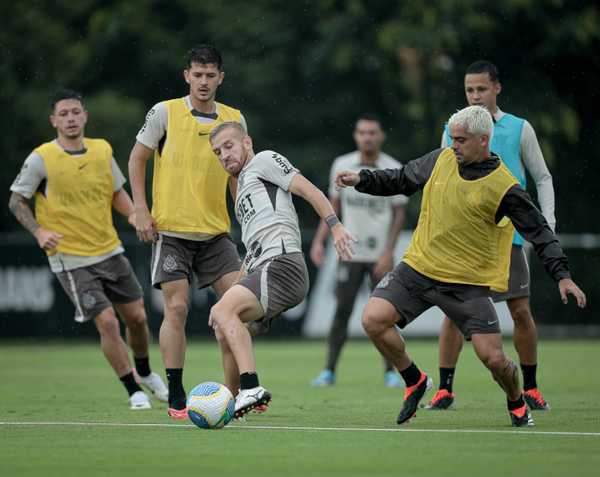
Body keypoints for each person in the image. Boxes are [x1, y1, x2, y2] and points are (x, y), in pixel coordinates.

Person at [334, 105, 586, 427]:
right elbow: (401, 178)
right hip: (419, 269)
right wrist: (361, 179)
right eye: (453, 138)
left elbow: (539, 232)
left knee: (494, 360)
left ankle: (516, 400)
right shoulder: (441, 159)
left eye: (461, 140)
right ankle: (415, 380)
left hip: (467, 284)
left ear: (484, 141)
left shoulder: (504, 187)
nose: (453, 145)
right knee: (373, 320)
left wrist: (562, 275)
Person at [8, 89, 168, 410]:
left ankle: (147, 373)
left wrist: (136, 214)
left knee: (136, 318)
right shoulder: (42, 158)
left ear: (85, 116)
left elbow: (116, 193)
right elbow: (16, 200)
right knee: (107, 322)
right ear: (54, 120)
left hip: (110, 250)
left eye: (75, 112)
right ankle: (132, 389)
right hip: (71, 259)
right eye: (63, 114)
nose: (70, 118)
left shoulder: (101, 150)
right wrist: (39, 232)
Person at [426, 61, 557, 411]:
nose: (475, 95)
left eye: (481, 89)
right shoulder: (452, 129)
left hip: (507, 236)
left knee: (520, 310)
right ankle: (444, 389)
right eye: (469, 90)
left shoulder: (519, 128)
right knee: (453, 313)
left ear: (496, 88)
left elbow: (542, 177)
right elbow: (442, 177)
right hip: (465, 240)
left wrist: (549, 223)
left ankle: (530, 387)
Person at [128, 45, 246, 419]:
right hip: (172, 231)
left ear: (221, 78)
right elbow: (137, 159)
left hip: (215, 233)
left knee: (237, 311)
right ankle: (177, 395)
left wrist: (247, 212)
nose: (204, 81)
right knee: (175, 309)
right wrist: (141, 209)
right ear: (187, 76)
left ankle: (235, 393)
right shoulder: (165, 112)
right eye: (198, 74)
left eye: (211, 75)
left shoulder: (234, 118)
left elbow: (237, 172)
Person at [208, 121, 356, 417]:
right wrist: (239, 281)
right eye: (217, 152)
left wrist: (335, 226)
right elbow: (252, 251)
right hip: (265, 267)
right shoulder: (241, 189)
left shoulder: (263, 160)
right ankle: (232, 401)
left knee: (224, 312)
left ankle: (251, 387)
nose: (224, 155)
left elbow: (310, 190)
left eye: (229, 146)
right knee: (222, 326)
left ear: (247, 143)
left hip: (283, 264)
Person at [310, 114, 408, 388]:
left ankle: (392, 372)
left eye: (372, 132)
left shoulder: (392, 168)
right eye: (363, 132)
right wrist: (319, 241)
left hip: (380, 256)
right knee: (342, 311)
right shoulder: (342, 165)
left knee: (386, 315)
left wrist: (389, 252)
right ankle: (329, 371)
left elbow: (399, 213)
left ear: (380, 136)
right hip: (350, 253)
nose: (367, 137)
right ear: (356, 135)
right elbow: (333, 207)